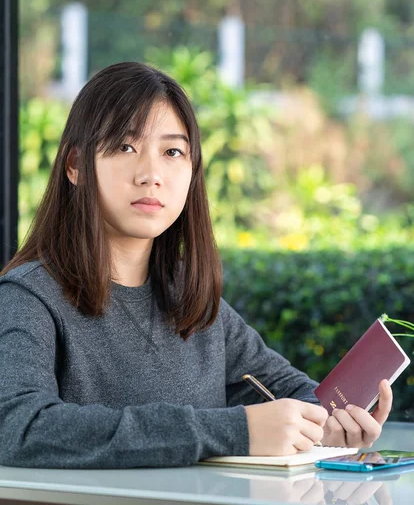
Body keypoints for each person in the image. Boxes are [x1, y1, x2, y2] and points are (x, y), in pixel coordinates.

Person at [0, 62, 392, 469]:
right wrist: (236, 431)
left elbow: (288, 391)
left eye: (172, 152)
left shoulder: (189, 297)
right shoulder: (28, 297)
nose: (151, 175)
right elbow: (19, 427)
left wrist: (328, 424)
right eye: (125, 147)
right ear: (76, 165)